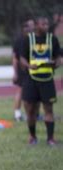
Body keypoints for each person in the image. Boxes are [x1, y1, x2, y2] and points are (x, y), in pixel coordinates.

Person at [20, 16, 61, 145]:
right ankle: (32, 137)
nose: (46, 26)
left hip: (47, 79)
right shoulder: (28, 39)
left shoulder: (52, 39)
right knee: (30, 109)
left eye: (47, 24)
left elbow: (59, 57)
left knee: (49, 109)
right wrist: (28, 65)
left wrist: (55, 63)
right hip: (31, 80)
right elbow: (22, 58)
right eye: (43, 24)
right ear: (36, 25)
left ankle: (50, 139)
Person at [12, 19, 35, 121]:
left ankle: (32, 114)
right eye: (29, 25)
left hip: (33, 69)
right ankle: (17, 114)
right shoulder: (19, 40)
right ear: (24, 28)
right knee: (20, 91)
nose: (31, 27)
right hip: (23, 70)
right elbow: (14, 58)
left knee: (32, 92)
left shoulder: (33, 39)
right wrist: (15, 73)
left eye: (32, 25)